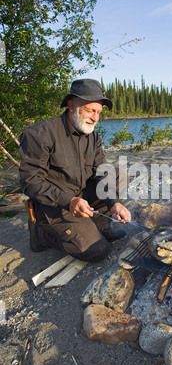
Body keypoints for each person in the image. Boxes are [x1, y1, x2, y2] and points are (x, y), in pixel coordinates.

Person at [19, 78, 132, 262]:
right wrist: (68, 201)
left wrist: (114, 203)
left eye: (98, 112)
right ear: (71, 106)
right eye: (90, 111)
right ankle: (41, 233)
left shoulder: (93, 136)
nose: (95, 118)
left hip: (81, 196)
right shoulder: (40, 134)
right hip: (54, 206)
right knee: (97, 251)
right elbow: (30, 182)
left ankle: (101, 227)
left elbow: (102, 172)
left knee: (118, 175)